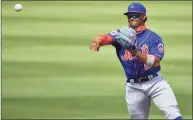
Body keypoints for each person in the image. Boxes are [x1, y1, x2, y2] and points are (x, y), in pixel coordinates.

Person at [89, 2, 183, 120]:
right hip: (133, 87)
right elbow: (105, 37)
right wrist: (98, 40)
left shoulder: (154, 38)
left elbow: (155, 62)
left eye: (135, 15)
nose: (131, 18)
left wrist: (135, 52)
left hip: (155, 83)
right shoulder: (120, 35)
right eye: (129, 16)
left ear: (144, 17)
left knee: (173, 113)